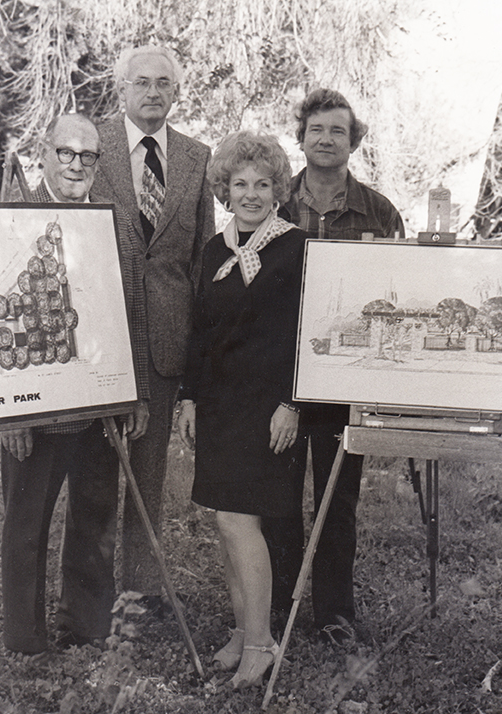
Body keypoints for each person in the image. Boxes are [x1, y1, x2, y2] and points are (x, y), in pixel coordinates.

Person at [0, 113, 150, 653]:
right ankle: (25, 640)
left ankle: (83, 628)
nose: (77, 165)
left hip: (100, 405)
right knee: (27, 526)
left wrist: (138, 395)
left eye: (88, 156)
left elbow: (134, 313)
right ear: (44, 153)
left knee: (94, 519)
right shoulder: (10, 222)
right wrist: (6, 416)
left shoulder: (115, 224)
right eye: (66, 153)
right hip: (33, 410)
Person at [262, 88, 405, 642]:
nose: (325, 139)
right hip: (281, 375)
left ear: (353, 142)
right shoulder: (275, 205)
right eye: (316, 129)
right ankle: (279, 603)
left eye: (337, 131)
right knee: (278, 492)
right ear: (301, 137)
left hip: (348, 379)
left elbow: (394, 292)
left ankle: (334, 612)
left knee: (336, 498)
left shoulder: (379, 210)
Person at [177, 131, 307, 687]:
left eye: (262, 184)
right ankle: (241, 630)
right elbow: (199, 333)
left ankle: (260, 643)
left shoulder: (296, 247)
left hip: (268, 410)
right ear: (224, 190)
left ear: (277, 189)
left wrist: (292, 404)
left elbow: (305, 338)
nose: (251, 193)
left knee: (239, 520)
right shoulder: (213, 251)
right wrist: (188, 397)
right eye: (240, 184)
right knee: (226, 523)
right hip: (220, 406)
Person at [92, 45, 215, 602]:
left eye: (164, 83)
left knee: (148, 476)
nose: (153, 92)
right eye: (141, 82)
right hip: (102, 337)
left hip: (167, 341)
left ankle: (139, 596)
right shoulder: (94, 146)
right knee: (95, 473)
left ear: (177, 92)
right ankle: (89, 599)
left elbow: (201, 263)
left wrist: (196, 359)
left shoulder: (196, 157)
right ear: (121, 90)